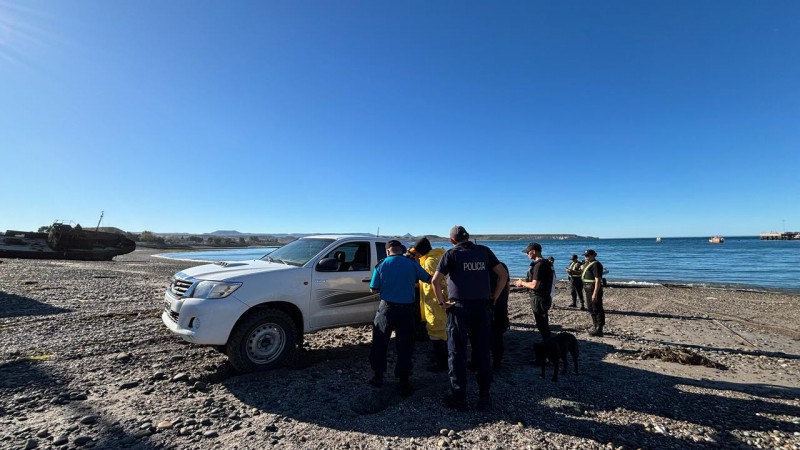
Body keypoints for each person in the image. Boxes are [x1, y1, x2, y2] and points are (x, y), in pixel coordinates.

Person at [432, 226, 507, 411]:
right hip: (482, 307)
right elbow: (503, 275)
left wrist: (442, 303)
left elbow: (435, 281)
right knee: (482, 352)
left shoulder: (451, 254)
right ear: (468, 238)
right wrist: (495, 296)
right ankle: (484, 396)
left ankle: (459, 397)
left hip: (459, 308)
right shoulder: (484, 251)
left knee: (457, 352)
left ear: (452, 240)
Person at [368, 240, 432, 396]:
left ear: (388, 251)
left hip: (386, 309)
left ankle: (378, 377)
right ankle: (404, 381)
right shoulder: (411, 263)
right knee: (405, 347)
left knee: (379, 344)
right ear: (400, 250)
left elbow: (373, 289)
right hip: (406, 311)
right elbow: (428, 279)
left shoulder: (382, 264)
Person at [409, 237, 449, 372]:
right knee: (441, 332)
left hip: (435, 304)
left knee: (437, 333)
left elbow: (437, 282)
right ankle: (443, 360)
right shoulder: (436, 257)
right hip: (436, 303)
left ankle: (442, 364)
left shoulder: (430, 262)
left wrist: (441, 300)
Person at [514, 243, 553, 344]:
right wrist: (525, 284)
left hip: (538, 298)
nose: (527, 254)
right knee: (543, 324)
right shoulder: (546, 263)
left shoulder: (539, 265)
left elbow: (535, 285)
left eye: (528, 252)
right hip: (544, 297)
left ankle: (548, 349)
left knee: (542, 325)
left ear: (533, 251)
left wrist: (521, 283)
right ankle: (548, 346)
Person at [489, 262, 510, 369]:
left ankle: (495, 361)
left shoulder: (483, 266)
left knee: (491, 333)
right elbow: (507, 286)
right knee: (498, 334)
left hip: (490, 302)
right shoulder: (502, 266)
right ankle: (497, 361)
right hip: (501, 302)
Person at [581, 249, 605, 336]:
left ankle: (599, 329)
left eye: (587, 255)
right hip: (587, 288)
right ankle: (595, 326)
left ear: (593, 255)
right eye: (585, 255)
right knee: (590, 307)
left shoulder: (596, 265)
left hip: (593, 288)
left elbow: (598, 280)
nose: (586, 257)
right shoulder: (588, 264)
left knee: (597, 308)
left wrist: (595, 293)